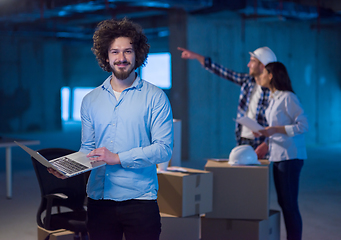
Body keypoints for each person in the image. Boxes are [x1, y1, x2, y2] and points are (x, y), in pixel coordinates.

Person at [48, 18, 173, 240]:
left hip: (139, 200)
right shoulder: (90, 100)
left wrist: (117, 157)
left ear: (137, 55)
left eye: (128, 51)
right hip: (99, 200)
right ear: (106, 56)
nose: (121, 58)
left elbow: (163, 149)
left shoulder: (155, 97)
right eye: (115, 52)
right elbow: (88, 149)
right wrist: (69, 168)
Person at [178, 46, 276, 156]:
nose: (248, 65)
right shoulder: (247, 82)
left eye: (252, 61)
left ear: (262, 66)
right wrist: (197, 57)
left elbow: (280, 122)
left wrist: (267, 144)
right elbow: (224, 72)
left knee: (259, 173)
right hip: (243, 139)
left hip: (260, 143)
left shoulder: (274, 92)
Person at [255, 62, 308, 240]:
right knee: (284, 203)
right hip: (278, 156)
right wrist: (266, 137)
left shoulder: (288, 97)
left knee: (289, 204)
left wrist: (275, 130)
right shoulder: (273, 98)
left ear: (271, 75)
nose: (260, 76)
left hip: (290, 157)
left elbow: (303, 125)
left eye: (263, 73)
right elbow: (276, 128)